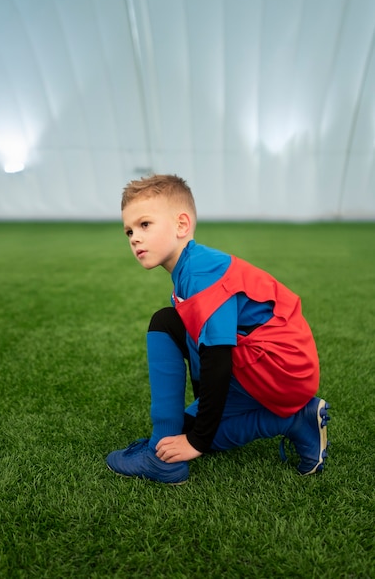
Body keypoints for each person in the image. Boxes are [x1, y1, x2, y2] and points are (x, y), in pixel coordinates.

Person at [106, 174, 330, 484]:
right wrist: (196, 422)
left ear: (182, 225)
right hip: (260, 362)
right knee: (169, 325)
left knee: (166, 327)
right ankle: (167, 450)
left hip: (281, 368)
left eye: (145, 225)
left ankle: (292, 419)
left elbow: (216, 358)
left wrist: (197, 441)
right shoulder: (188, 270)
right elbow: (201, 345)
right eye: (129, 230)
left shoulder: (201, 271)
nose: (134, 237)